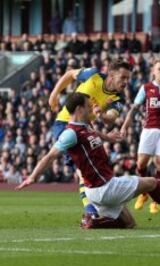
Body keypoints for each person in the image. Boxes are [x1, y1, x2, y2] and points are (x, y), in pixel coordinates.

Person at [15, 93, 160, 229]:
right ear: (79, 109)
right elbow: (50, 156)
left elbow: (95, 135)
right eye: (87, 106)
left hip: (98, 189)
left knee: (129, 224)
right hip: (103, 186)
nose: (90, 109)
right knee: (152, 182)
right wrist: (32, 177)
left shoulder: (86, 127)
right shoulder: (70, 133)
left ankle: (94, 222)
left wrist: (110, 137)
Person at [48, 59, 132, 218]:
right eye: (123, 77)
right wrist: (54, 94)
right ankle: (90, 209)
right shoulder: (93, 75)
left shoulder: (117, 99)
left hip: (85, 129)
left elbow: (111, 118)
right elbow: (70, 74)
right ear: (112, 75)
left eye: (128, 78)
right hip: (65, 123)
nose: (126, 82)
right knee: (82, 167)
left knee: (95, 166)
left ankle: (101, 208)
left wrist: (101, 114)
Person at [120, 59, 160, 214]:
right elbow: (134, 108)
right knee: (141, 163)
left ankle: (155, 200)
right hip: (148, 130)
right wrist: (125, 125)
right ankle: (144, 192)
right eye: (159, 69)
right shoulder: (146, 88)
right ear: (153, 71)